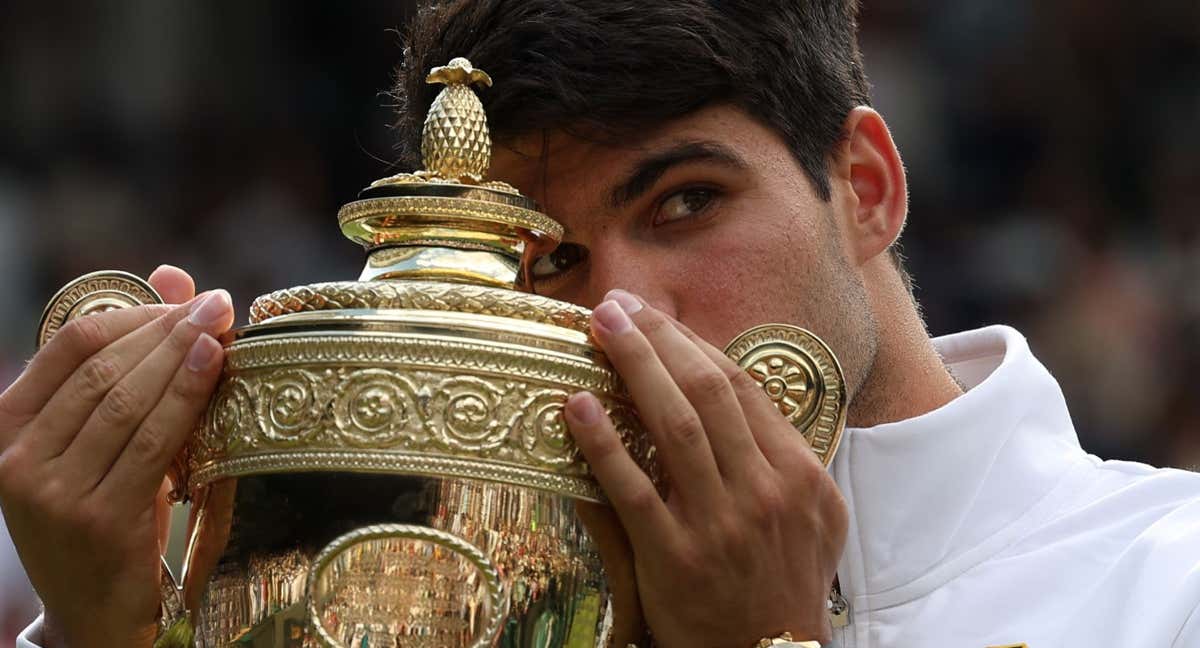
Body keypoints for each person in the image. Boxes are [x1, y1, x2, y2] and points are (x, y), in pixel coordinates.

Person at [3, 1, 1199, 646]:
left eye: (687, 202)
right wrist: (104, 633)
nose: (619, 308)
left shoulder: (1168, 579)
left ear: (870, 188)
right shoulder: (432, 603)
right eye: (548, 255)